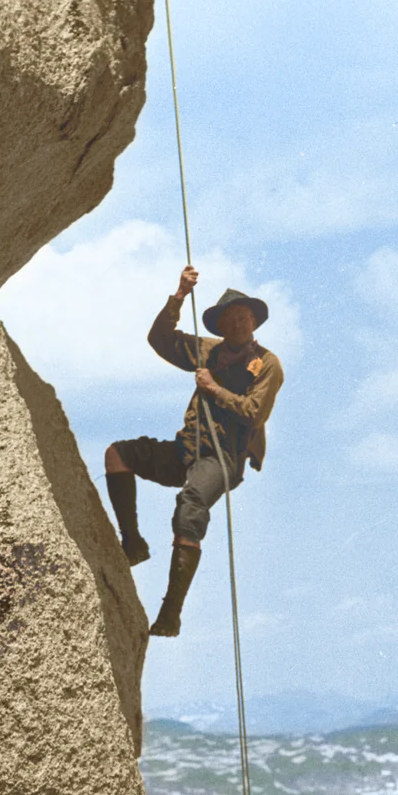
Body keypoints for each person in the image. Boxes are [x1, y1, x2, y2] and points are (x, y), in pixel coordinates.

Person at [105, 267, 284, 637]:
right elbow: (160, 339)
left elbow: (254, 412)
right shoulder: (208, 351)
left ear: (254, 321)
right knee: (117, 455)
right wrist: (180, 295)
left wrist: (214, 389)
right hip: (186, 449)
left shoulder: (266, 364)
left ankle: (171, 613)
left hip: (222, 458)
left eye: (243, 318)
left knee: (190, 505)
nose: (237, 324)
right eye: (230, 320)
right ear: (221, 326)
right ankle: (133, 543)